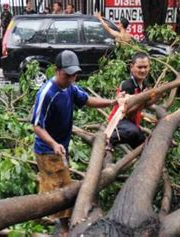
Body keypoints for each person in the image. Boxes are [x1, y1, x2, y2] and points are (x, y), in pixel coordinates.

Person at [31, 50, 122, 236]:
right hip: (48, 150)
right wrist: (54, 144)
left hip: (61, 147)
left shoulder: (70, 88)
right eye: (67, 75)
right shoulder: (47, 93)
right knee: (63, 187)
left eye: (74, 75)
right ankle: (64, 229)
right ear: (57, 71)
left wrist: (112, 102)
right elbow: (36, 126)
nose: (71, 78)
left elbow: (88, 100)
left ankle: (38, 214)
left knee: (52, 183)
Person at [107, 52, 149, 149]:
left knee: (143, 142)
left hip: (132, 123)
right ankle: (109, 139)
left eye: (146, 67)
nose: (143, 70)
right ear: (132, 67)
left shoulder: (145, 85)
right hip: (119, 122)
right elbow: (127, 108)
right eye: (139, 67)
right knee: (134, 132)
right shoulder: (127, 85)